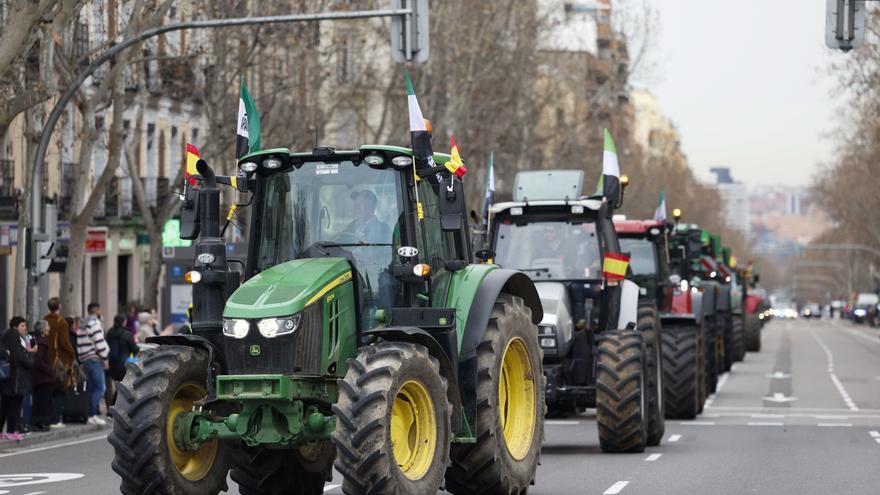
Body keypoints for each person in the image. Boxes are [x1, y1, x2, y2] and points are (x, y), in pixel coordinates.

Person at [1, 317, 36, 440]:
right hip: (16, 378)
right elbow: (20, 358)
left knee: (5, 406)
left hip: (9, 377)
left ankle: (2, 431)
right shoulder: (14, 336)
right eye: (22, 325)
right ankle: (11, 431)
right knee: (14, 406)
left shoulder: (7, 335)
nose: (25, 328)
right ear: (15, 327)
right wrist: (31, 354)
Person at [44, 297, 76, 429]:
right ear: (59, 306)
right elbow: (64, 342)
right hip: (59, 361)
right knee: (60, 389)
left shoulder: (44, 320)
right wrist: (72, 353)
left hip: (46, 360)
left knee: (48, 391)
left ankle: (47, 417)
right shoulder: (61, 322)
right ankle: (56, 419)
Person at [78, 302, 109, 426]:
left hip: (85, 360)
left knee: (91, 389)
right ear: (97, 311)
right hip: (95, 359)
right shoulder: (94, 324)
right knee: (101, 388)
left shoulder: (82, 325)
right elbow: (99, 342)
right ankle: (92, 415)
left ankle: (89, 414)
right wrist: (106, 357)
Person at [30, 320, 54, 432]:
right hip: (42, 378)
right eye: (48, 326)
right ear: (43, 330)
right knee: (42, 401)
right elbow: (38, 361)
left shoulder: (39, 341)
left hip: (39, 378)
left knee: (40, 400)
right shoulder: (41, 343)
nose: (49, 328)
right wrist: (50, 370)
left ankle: (39, 422)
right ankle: (40, 423)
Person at [106, 315, 138, 384]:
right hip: (124, 365)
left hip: (111, 364)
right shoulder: (127, 334)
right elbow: (135, 349)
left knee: (115, 385)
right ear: (123, 322)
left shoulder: (109, 333)